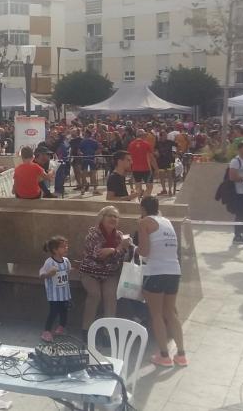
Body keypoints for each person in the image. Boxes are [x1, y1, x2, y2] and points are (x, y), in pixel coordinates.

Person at [138, 196, 186, 367]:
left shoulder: (144, 222)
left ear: (143, 208)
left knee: (157, 314)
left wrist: (133, 247)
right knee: (171, 313)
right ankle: (181, 354)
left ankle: (164, 356)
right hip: (174, 270)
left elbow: (144, 251)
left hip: (156, 271)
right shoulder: (167, 221)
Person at [78, 206, 133, 335]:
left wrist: (123, 248)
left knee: (111, 296)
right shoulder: (93, 234)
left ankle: (108, 333)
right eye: (110, 215)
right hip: (90, 272)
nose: (113, 218)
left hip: (110, 273)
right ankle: (86, 330)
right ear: (102, 218)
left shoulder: (120, 236)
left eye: (116, 216)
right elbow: (98, 255)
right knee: (95, 294)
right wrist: (117, 249)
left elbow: (119, 258)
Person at [39, 235, 72, 342]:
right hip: (54, 295)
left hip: (64, 294)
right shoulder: (49, 262)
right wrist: (49, 274)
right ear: (55, 250)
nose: (66, 248)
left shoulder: (66, 261)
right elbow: (41, 275)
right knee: (53, 312)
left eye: (66, 246)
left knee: (64, 312)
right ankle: (46, 331)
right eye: (63, 247)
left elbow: (68, 271)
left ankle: (61, 327)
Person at [127, 130, 157, 198]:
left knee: (138, 188)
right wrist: (156, 168)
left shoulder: (131, 144)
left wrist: (129, 168)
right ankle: (144, 200)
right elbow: (151, 158)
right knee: (149, 187)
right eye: (145, 135)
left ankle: (140, 201)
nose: (146, 136)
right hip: (146, 168)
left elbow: (129, 157)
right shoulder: (146, 144)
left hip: (135, 169)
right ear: (142, 135)